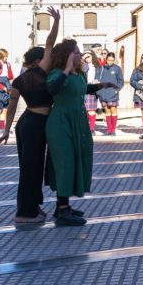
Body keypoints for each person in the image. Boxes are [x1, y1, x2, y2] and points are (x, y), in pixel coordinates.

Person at [0, 6, 61, 225]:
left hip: (24, 123)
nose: (49, 59)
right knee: (32, 169)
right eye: (45, 58)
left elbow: (12, 107)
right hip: (36, 124)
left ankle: (33, 207)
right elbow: (50, 43)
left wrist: (6, 131)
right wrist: (56, 22)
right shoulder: (40, 72)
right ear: (37, 61)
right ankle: (25, 213)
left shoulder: (19, 80)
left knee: (28, 167)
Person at [45, 39, 102, 226]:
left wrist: (101, 86)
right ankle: (62, 211)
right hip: (61, 123)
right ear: (67, 56)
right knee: (65, 163)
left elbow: (82, 89)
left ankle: (64, 206)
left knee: (75, 161)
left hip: (77, 122)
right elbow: (52, 88)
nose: (79, 55)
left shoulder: (78, 74)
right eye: (76, 53)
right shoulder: (57, 73)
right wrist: (66, 69)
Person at [95, 52, 124, 136]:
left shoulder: (117, 68)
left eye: (112, 60)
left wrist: (117, 90)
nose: (110, 62)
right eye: (108, 60)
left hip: (113, 93)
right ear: (106, 59)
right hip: (103, 93)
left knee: (113, 110)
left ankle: (113, 130)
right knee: (107, 111)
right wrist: (99, 91)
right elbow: (96, 79)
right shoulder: (101, 68)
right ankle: (109, 130)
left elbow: (120, 81)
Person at [82, 51, 100, 132]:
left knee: (91, 110)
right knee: (83, 111)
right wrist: (83, 60)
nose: (87, 58)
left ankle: (91, 129)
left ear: (93, 56)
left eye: (89, 56)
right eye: (86, 57)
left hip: (93, 89)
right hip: (84, 89)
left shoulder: (97, 67)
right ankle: (84, 128)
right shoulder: (82, 66)